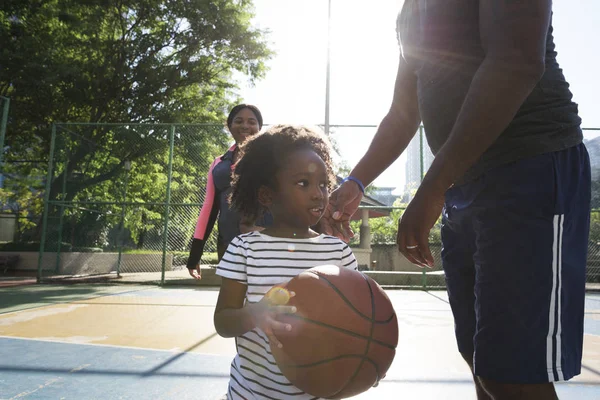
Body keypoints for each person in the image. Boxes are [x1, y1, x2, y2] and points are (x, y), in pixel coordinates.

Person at [321, 2, 590, 399]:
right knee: (480, 357)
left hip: (529, 167)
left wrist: (433, 186)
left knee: (510, 372)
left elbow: (515, 62)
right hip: (462, 184)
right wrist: (357, 181)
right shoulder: (412, 9)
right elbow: (403, 111)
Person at [213, 125, 358, 399]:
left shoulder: (338, 253)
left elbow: (357, 322)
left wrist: (367, 357)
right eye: (303, 183)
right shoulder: (245, 249)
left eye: (324, 184)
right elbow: (223, 321)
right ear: (267, 195)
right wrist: (254, 314)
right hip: (251, 394)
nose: (318, 193)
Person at [187, 104, 270, 280]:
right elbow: (209, 207)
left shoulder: (273, 159)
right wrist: (195, 253)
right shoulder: (218, 164)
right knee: (231, 300)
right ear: (229, 126)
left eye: (251, 122)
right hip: (229, 243)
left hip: (266, 243)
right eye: (238, 121)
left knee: (266, 300)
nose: (245, 126)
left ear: (260, 128)